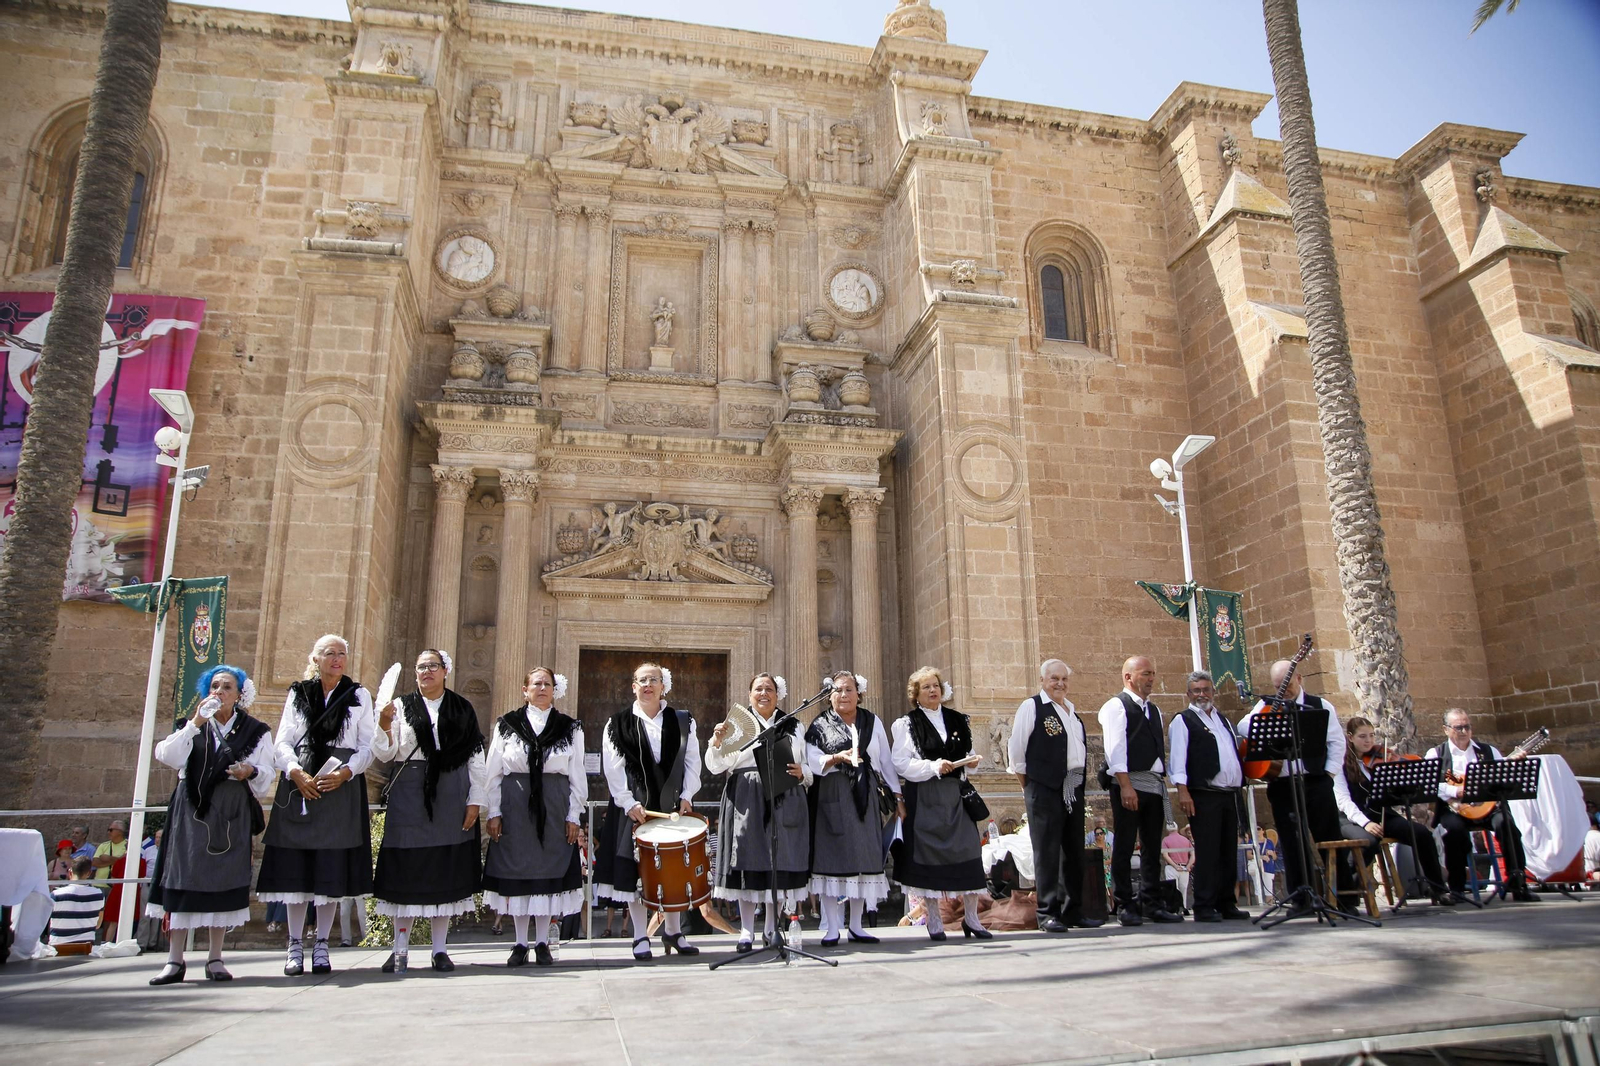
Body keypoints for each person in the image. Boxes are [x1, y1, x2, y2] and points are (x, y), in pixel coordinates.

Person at [146, 664, 276, 985]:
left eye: (227, 687)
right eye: (214, 686)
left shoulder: (255, 730)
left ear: (239, 695)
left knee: (223, 878)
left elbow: (267, 773)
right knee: (182, 875)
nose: (219, 691)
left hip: (231, 811)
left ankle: (215, 957)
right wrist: (194, 723)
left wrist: (251, 771)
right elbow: (167, 755)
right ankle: (175, 960)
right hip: (191, 809)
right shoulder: (192, 725)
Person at [257, 634, 377, 977]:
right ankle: (295, 943)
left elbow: (367, 744)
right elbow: (284, 738)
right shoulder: (298, 692)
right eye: (329, 654)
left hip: (340, 783)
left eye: (342, 654)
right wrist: (294, 770)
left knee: (329, 868)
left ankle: (322, 944)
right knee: (297, 870)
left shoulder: (358, 696)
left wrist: (346, 772)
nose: (337, 659)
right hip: (301, 778)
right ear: (316, 659)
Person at [372, 649, 488, 974]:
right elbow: (385, 752)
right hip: (409, 793)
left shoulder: (462, 708)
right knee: (405, 868)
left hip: (452, 793)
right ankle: (400, 948)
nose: (427, 672)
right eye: (421, 667)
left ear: (445, 671)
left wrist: (476, 799)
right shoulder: (399, 707)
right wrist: (382, 723)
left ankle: (440, 949)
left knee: (445, 868)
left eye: (432, 666)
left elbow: (475, 756)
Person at [594, 661, 703, 961]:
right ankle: (640, 935)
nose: (648, 685)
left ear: (663, 686)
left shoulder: (683, 721)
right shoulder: (617, 723)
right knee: (637, 872)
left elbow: (693, 761)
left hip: (672, 808)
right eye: (642, 680)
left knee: (671, 872)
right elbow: (612, 767)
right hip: (635, 808)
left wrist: (688, 794)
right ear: (633, 686)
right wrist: (628, 803)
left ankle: (673, 931)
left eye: (653, 679)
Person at [483, 667, 586, 968]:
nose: (542, 688)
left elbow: (577, 773)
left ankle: (542, 942)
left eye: (547, 684)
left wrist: (573, 815)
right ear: (524, 689)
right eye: (536, 683)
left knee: (546, 871)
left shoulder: (570, 727)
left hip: (554, 803)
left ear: (555, 690)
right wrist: (494, 811)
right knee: (518, 871)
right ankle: (519, 943)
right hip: (515, 802)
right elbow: (493, 771)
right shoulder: (507, 724)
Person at [706, 673, 811, 953]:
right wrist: (716, 743)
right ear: (749, 693)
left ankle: (770, 928)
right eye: (758, 689)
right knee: (747, 860)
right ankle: (746, 931)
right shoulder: (737, 724)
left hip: (783, 794)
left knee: (777, 862)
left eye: (769, 689)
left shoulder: (793, 725)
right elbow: (716, 766)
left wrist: (804, 773)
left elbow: (806, 764)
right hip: (745, 796)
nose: (764, 693)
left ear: (778, 695)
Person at [1238, 660, 1350, 912]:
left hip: (1315, 781)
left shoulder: (1320, 706)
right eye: (1278, 686)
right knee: (1291, 841)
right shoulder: (1267, 704)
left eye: (1286, 685)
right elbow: (1243, 725)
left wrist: (1329, 775)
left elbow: (1336, 743)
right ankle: (1300, 898)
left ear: (1298, 678)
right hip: (1283, 784)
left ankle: (1343, 898)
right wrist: (1268, 715)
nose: (1282, 690)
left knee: (1329, 836)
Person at [804, 671, 902, 947]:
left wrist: (898, 796)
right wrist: (836, 757)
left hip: (864, 794)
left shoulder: (872, 721)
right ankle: (833, 926)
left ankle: (857, 925)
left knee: (863, 857)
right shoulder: (820, 725)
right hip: (831, 795)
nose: (843, 695)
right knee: (831, 860)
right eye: (837, 690)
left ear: (859, 694)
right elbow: (811, 760)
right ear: (829, 696)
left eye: (849, 690)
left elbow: (885, 760)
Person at [893, 666, 990, 941]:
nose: (933, 690)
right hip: (925, 797)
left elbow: (968, 754)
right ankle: (933, 918)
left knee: (969, 852)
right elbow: (901, 763)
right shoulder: (906, 724)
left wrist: (971, 762)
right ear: (915, 694)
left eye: (935, 685)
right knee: (929, 856)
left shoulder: (958, 720)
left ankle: (972, 918)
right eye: (926, 687)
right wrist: (934, 766)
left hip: (956, 796)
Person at [1009, 658, 1103, 933]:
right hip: (1044, 786)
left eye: (1064, 679)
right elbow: (1016, 750)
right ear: (1042, 681)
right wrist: (1030, 785)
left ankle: (1073, 910)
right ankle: (1047, 911)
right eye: (1054, 679)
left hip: (1072, 787)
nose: (1060, 684)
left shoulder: (1073, 713)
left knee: (1073, 850)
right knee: (1047, 851)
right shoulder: (1033, 706)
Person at [1332, 715, 1452, 906]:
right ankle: (1347, 890)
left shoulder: (1379, 758)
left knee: (1421, 834)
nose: (1369, 741)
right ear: (1350, 737)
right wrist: (1366, 823)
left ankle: (1438, 889)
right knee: (1368, 841)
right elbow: (1344, 801)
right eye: (1363, 736)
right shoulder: (1340, 764)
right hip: (1351, 818)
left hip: (1380, 815)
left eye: (1371, 735)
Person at [1098, 655, 1181, 926]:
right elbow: (1114, 749)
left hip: (1153, 784)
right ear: (1128, 677)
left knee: (1151, 845)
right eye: (1145, 673)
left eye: (1153, 673)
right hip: (1129, 783)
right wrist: (1125, 785)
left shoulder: (1153, 710)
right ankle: (1124, 903)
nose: (1151, 679)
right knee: (1124, 843)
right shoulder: (1116, 706)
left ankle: (1151, 901)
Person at [1424, 708, 1538, 902]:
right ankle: (1457, 889)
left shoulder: (1488, 751)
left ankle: (1518, 883)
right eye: (1458, 727)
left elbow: (1503, 777)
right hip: (1455, 809)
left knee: (1507, 826)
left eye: (1467, 727)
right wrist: (1455, 792)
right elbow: (1429, 784)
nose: (1463, 731)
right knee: (1454, 832)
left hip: (1488, 807)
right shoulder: (1435, 753)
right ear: (1445, 729)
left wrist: (1515, 766)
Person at [1169, 670, 1249, 922]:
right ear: (1188, 694)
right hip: (1204, 794)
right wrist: (1183, 791)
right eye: (1196, 690)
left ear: (1213, 691)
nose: (1202, 694)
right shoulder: (1183, 720)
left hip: (1229, 794)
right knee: (1208, 850)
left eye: (1206, 689)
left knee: (1228, 849)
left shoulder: (1223, 720)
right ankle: (1204, 904)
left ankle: (1227, 903)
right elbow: (1178, 759)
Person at [48, 858, 104, 955]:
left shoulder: (56, 895)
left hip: (57, 948)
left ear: (70, 872)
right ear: (89, 873)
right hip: (86, 948)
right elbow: (98, 925)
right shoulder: (99, 895)